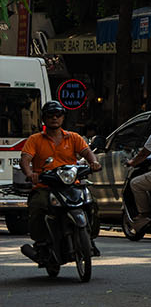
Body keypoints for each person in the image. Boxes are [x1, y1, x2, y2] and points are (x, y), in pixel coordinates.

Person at [18, 100, 100, 265]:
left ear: (63, 118)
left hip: (70, 184)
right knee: (38, 205)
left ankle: (89, 237)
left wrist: (94, 163)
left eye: (58, 115)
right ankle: (41, 243)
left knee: (92, 202)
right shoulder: (35, 139)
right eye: (50, 115)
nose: (54, 118)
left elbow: (87, 152)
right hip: (45, 186)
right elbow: (25, 159)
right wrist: (30, 173)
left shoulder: (73, 137)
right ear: (44, 119)